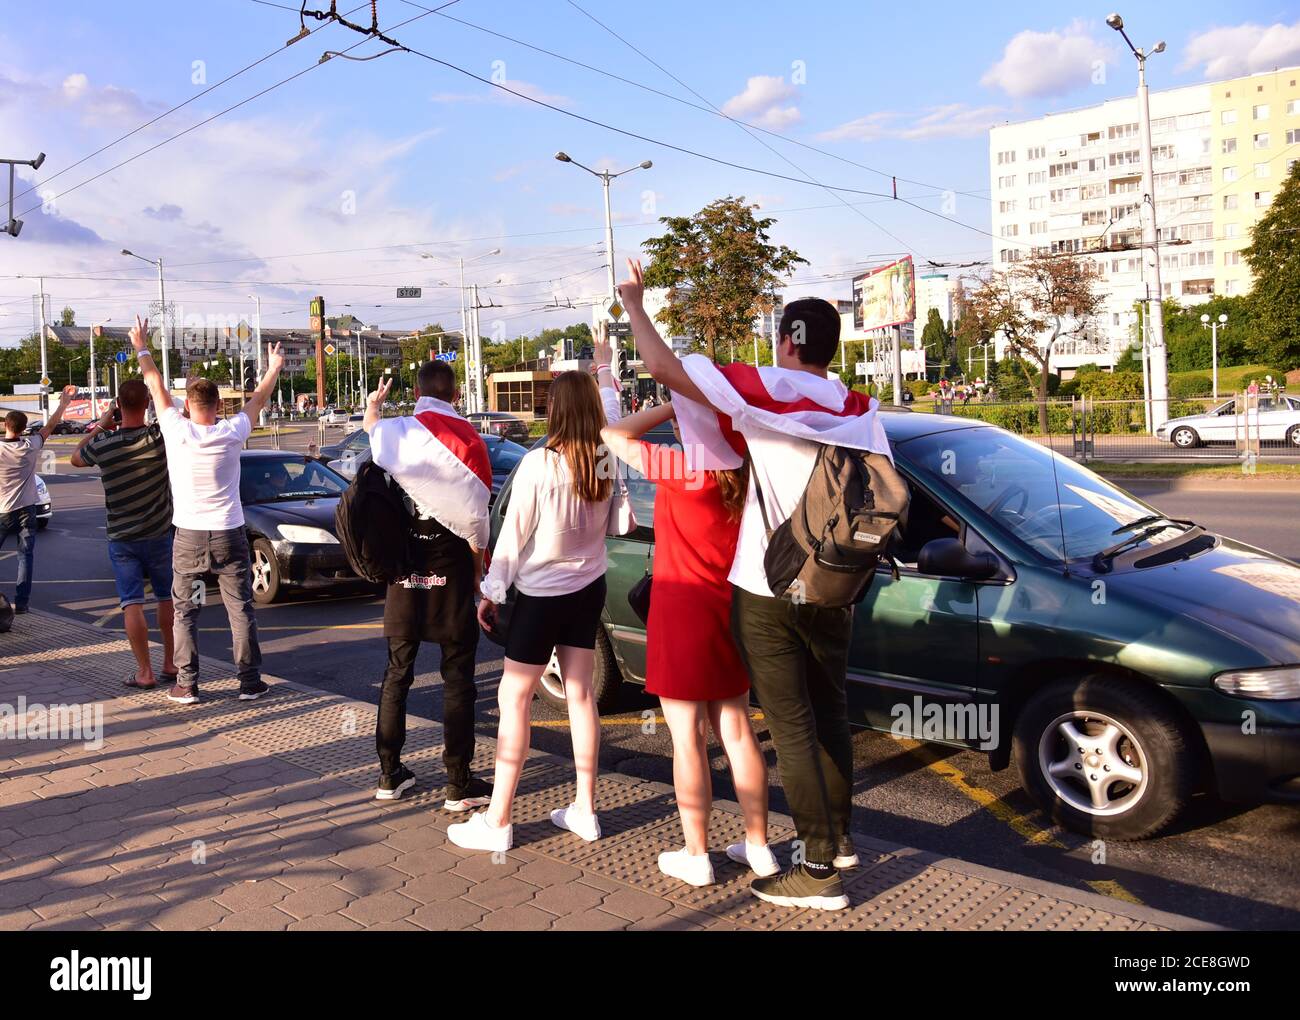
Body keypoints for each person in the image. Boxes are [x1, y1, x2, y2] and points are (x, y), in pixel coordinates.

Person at [620, 257, 891, 911]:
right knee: (830, 713)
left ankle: (818, 871)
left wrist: (634, 302)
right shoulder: (859, 408)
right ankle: (840, 838)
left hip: (770, 589)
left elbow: (665, 370)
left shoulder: (769, 388)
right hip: (837, 584)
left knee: (791, 726)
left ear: (788, 341)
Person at [449, 358, 625, 854]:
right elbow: (620, 525)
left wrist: (491, 591)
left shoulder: (539, 463)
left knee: (514, 699)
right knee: (582, 698)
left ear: (554, 410)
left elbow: (511, 538)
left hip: (542, 596)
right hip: (588, 588)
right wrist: (606, 365)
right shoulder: (604, 459)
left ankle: (499, 819)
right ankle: (585, 810)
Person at [601, 402, 777, 888]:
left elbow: (613, 434)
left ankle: (696, 853)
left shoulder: (681, 468)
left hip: (681, 612)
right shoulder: (744, 465)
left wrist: (670, 401)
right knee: (737, 731)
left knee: (687, 740)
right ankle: (758, 846)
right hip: (730, 610)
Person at [128, 314, 284, 705]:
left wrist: (142, 346)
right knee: (240, 608)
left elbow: (154, 383)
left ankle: (188, 684)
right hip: (230, 533)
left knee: (187, 609)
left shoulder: (175, 429)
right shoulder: (231, 432)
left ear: (188, 406)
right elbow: (258, 399)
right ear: (217, 405)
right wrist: (274, 368)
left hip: (189, 537)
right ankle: (249, 682)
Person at [363, 361, 493, 808]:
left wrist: (374, 407)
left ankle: (388, 774)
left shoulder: (396, 432)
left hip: (404, 576)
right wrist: (479, 573)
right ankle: (459, 782)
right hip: (452, 575)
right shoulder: (470, 440)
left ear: (417, 392)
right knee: (458, 681)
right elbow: (478, 519)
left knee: (396, 676)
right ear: (456, 395)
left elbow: (373, 433)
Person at [70, 381, 177, 688]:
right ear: (147, 404)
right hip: (159, 534)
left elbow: (77, 457)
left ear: (117, 403)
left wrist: (102, 425)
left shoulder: (103, 445)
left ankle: (145, 672)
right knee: (166, 598)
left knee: (131, 603)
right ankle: (170, 663)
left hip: (122, 538)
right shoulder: (159, 439)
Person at [0, 385, 77, 613]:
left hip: (3, 510)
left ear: (6, 425)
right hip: (27, 510)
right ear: (24, 428)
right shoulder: (31, 445)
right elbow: (50, 426)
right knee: (26, 557)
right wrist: (63, 403)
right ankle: (22, 604)